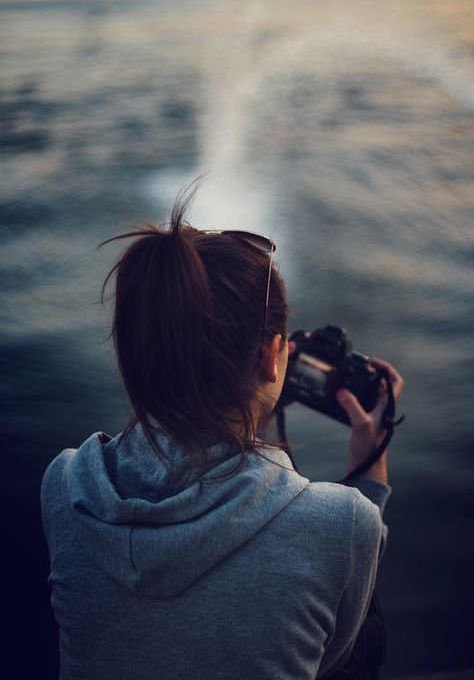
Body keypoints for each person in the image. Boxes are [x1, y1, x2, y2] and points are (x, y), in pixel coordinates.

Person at [41, 180, 404, 680]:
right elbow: (336, 657)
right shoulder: (344, 523)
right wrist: (370, 476)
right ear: (270, 357)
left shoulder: (66, 485)